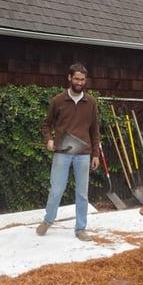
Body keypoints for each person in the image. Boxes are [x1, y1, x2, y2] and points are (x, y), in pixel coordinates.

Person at [36, 63, 100, 241]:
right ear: (69, 78)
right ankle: (48, 220)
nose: (80, 82)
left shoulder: (91, 102)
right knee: (56, 189)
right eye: (77, 78)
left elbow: (95, 130)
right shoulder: (58, 100)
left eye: (82, 79)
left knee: (82, 193)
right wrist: (49, 139)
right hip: (62, 152)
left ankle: (80, 228)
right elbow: (46, 124)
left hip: (84, 153)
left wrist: (95, 154)